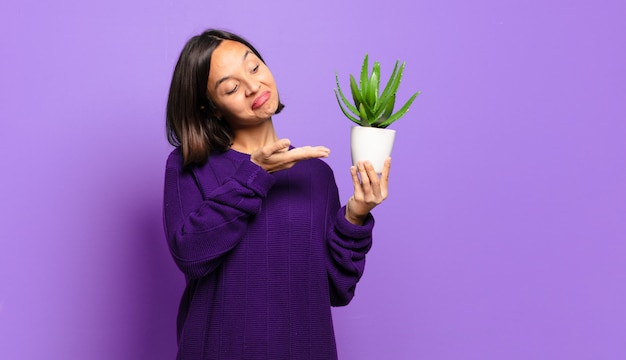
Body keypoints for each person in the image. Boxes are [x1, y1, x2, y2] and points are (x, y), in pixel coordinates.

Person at [163, 29, 391, 360]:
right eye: (231, 87)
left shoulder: (315, 174)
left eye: (254, 68)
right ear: (210, 108)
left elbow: (335, 289)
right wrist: (255, 174)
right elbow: (190, 255)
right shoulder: (190, 165)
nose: (253, 86)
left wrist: (355, 215)